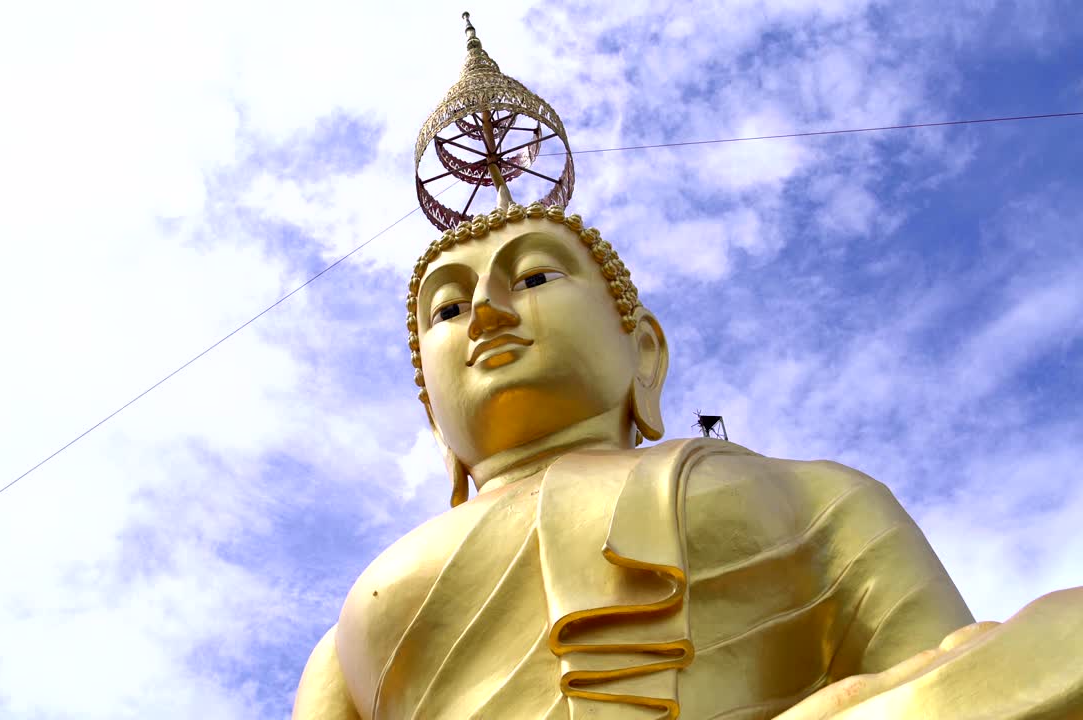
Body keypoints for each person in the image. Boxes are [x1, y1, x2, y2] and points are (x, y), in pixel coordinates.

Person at [292, 202, 1082, 719]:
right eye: (450, 308)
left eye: (534, 275)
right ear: (434, 419)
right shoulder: (351, 629)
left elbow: (957, 676)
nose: (490, 312)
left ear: (643, 352)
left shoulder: (815, 497)